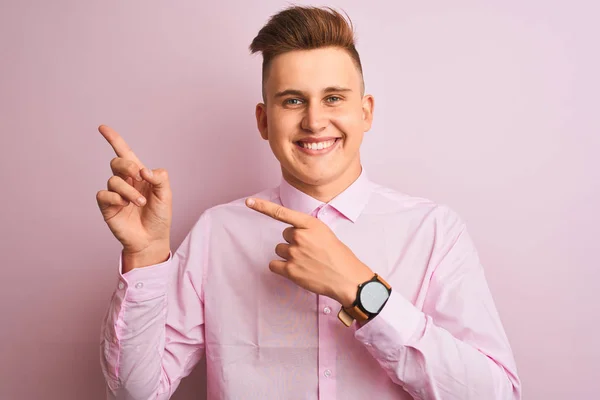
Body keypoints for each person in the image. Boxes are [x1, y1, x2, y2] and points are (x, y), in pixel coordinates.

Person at [97, 6, 521, 400]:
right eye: (293, 100)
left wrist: (361, 291)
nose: (315, 120)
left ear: (365, 112)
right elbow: (139, 391)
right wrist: (146, 254)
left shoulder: (434, 231)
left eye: (333, 97)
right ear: (264, 121)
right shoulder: (217, 233)